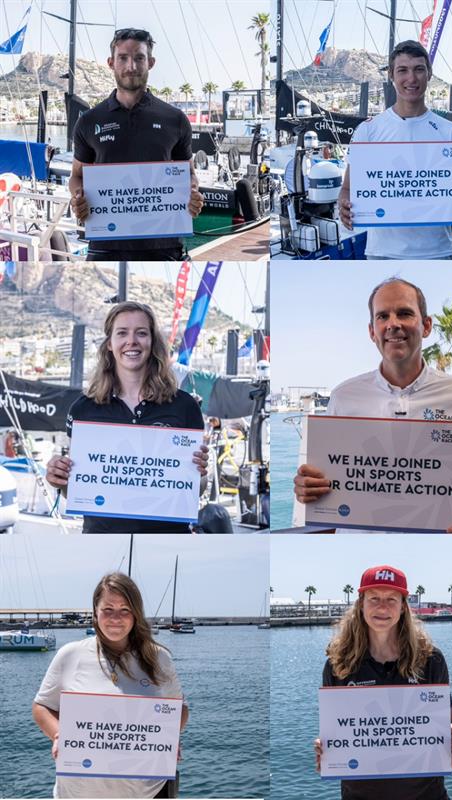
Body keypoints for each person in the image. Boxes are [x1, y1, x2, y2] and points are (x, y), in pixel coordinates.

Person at [294, 278, 452, 531]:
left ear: (426, 326)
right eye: (382, 316)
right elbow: (322, 479)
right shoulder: (344, 396)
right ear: (372, 332)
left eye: (404, 313)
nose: (393, 324)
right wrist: (306, 488)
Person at [45, 301, 208, 533]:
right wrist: (58, 479)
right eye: (122, 333)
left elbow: (196, 488)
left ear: (152, 342)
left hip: (168, 536)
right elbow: (77, 490)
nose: (132, 341)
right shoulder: (83, 409)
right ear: (110, 344)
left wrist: (200, 474)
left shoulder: (184, 405)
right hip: (102, 537)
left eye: (141, 333)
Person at [32, 572, 189, 799]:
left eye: (125, 609)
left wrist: (168, 736)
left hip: (147, 792)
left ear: (135, 614)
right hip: (79, 793)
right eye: (108, 609)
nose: (116, 617)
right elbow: (41, 706)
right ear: (95, 611)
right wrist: (59, 735)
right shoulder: (70, 654)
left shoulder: (159, 659)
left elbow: (179, 709)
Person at [315, 564, 452, 799]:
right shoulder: (338, 664)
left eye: (391, 599)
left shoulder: (431, 659)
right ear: (361, 603)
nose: (382, 607)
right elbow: (337, 730)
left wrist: (451, 741)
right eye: (374, 598)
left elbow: (449, 723)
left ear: (403, 607)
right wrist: (326, 750)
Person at [69, 29, 204, 261]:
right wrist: (78, 197)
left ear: (150, 62)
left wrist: (192, 193)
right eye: (123, 57)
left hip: (164, 243)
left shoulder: (175, 119)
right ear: (111, 63)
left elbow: (189, 173)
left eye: (139, 58)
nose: (131, 66)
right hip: (105, 245)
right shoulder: (89, 121)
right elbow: (76, 176)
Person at [338, 40, 452, 260]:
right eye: (403, 70)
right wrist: (344, 207)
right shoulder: (368, 131)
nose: (411, 78)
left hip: (438, 253)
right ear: (391, 75)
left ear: (429, 74)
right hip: (382, 253)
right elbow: (347, 189)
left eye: (419, 70)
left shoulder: (449, 132)